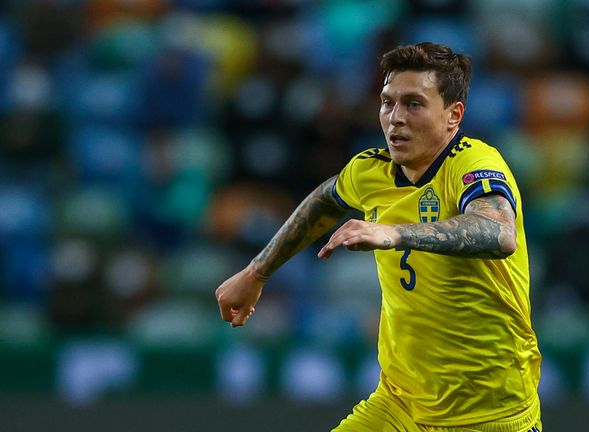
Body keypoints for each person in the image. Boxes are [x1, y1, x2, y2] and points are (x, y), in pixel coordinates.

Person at [215, 42, 542, 432]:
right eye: (388, 102)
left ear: (453, 115)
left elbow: (498, 232)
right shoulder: (372, 171)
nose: (395, 118)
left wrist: (394, 233)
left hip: (489, 412)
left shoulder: (473, 162)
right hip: (398, 404)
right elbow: (325, 200)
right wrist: (256, 273)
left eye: (414, 104)